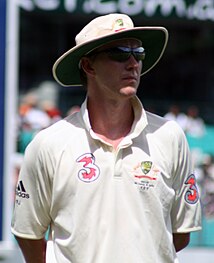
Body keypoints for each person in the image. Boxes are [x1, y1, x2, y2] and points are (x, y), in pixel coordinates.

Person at [11, 13, 201, 263]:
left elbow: (178, 236)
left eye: (139, 53)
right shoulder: (49, 144)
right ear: (89, 66)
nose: (133, 63)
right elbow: (29, 236)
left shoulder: (170, 136)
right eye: (121, 53)